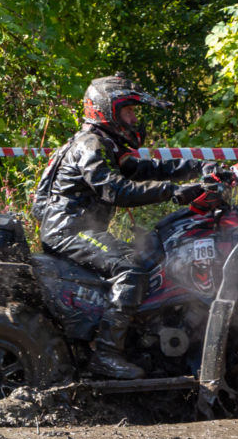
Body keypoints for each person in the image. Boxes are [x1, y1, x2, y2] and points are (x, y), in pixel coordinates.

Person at [32, 75, 207, 380]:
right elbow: (115, 189)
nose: (134, 119)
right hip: (69, 231)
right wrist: (173, 192)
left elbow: (144, 169)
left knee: (148, 257)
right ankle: (106, 354)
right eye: (128, 112)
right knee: (131, 268)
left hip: (73, 229)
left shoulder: (102, 143)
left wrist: (198, 167)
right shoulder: (90, 144)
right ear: (107, 111)